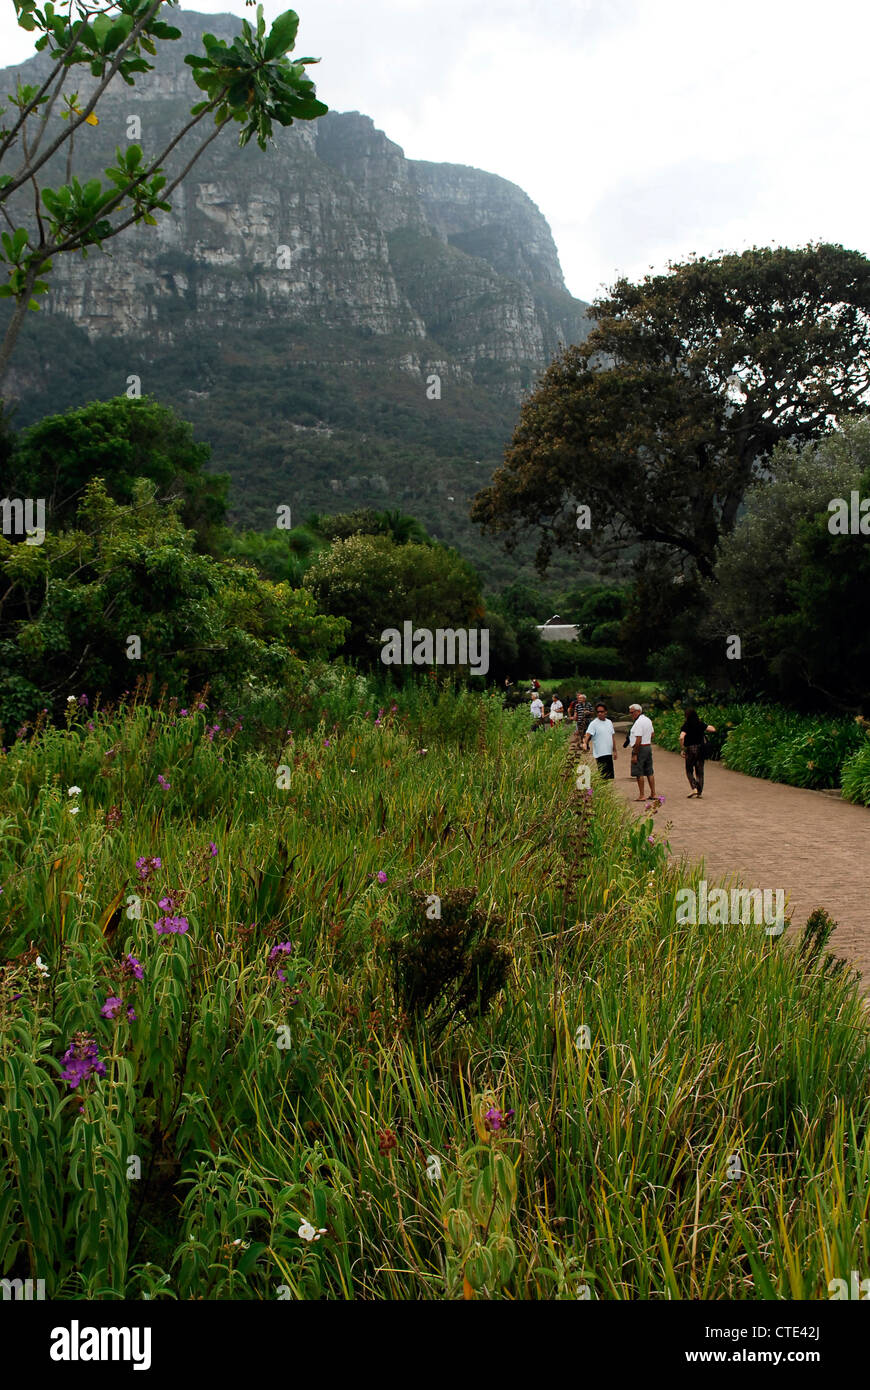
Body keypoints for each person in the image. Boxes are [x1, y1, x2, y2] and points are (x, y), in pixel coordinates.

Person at [679, 707, 716, 798]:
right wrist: (706, 725)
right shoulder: (700, 723)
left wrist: (682, 748)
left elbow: (681, 737)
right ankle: (699, 792)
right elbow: (712, 729)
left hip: (690, 749)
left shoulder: (686, 725)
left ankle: (694, 788)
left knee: (689, 770)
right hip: (701, 749)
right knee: (700, 771)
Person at [628, 702, 656, 802]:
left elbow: (638, 739)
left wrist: (635, 753)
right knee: (649, 771)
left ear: (638, 711)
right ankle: (653, 793)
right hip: (648, 746)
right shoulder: (648, 720)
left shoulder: (639, 722)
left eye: (632, 712)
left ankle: (642, 795)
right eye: (630, 713)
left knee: (639, 771)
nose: (631, 714)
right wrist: (647, 738)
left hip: (640, 747)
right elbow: (652, 734)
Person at [584, 702, 617, 778]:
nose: (600, 713)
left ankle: (608, 790)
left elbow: (612, 737)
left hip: (609, 752)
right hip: (600, 754)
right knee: (603, 776)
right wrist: (585, 743)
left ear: (606, 712)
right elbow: (587, 735)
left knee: (609, 776)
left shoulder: (609, 722)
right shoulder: (594, 724)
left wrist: (615, 750)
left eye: (602, 711)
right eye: (598, 712)